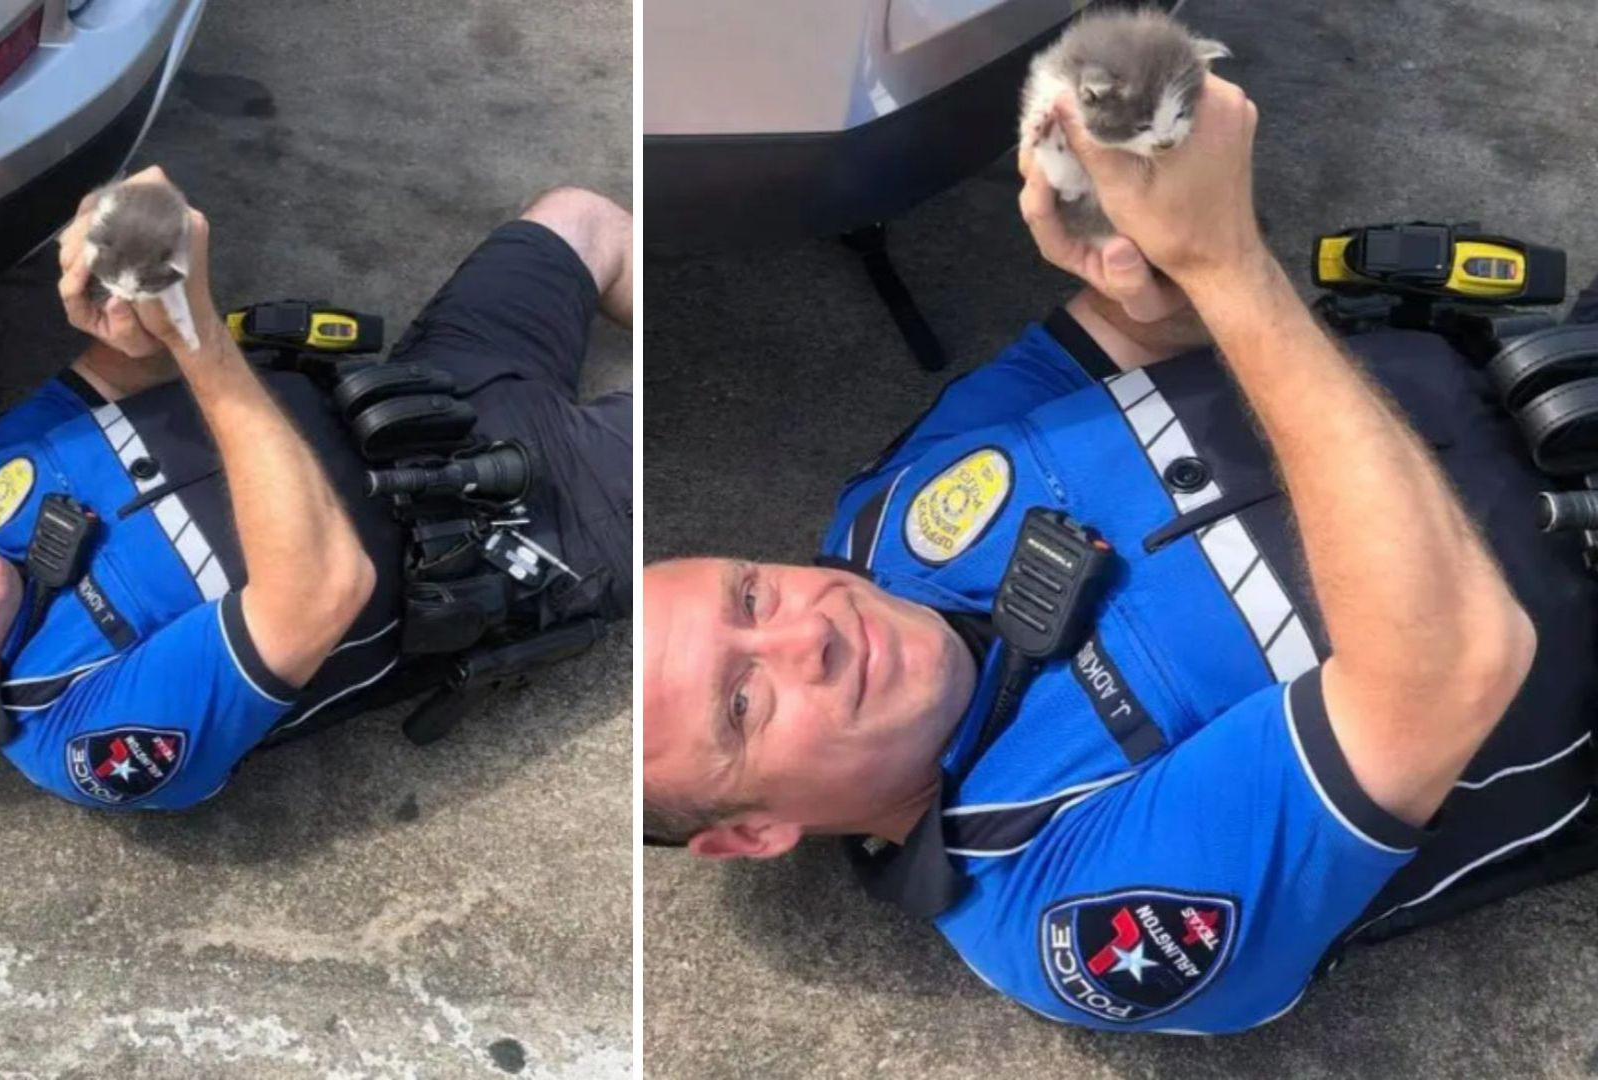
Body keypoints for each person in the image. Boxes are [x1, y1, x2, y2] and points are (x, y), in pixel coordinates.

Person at [644, 74, 1598, 1032]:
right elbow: (1455, 665)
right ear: (754, 833)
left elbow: (1146, 324)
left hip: (1551, 359)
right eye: (743, 701)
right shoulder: (1057, 903)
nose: (808, 633)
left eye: (752, 595)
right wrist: (1230, 268)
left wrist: (1127, 221)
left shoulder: (882, 518)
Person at [0, 166, 632, 811]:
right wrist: (199, 340)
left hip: (424, 386)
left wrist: (129, 258)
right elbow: (322, 590)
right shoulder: (84, 733)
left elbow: (117, 370)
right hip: (537, 519)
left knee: (581, 217)